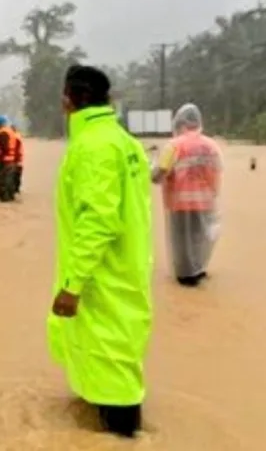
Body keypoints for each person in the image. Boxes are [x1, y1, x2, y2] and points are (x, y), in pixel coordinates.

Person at [47, 64, 153, 438]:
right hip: (126, 268)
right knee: (117, 354)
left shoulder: (93, 147)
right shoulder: (124, 142)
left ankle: (125, 434)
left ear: (68, 101)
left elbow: (99, 222)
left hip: (99, 277)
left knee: (113, 372)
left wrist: (72, 285)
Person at [152, 103, 222, 287]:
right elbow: (217, 172)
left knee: (181, 241)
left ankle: (185, 276)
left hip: (180, 203)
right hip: (206, 203)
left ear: (180, 124)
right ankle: (198, 270)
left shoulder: (174, 146)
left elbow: (160, 171)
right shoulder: (212, 146)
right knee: (200, 238)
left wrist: (150, 172)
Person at [0, 115, 18, 201]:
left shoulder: (3, 133)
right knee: (9, 184)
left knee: (3, 184)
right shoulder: (10, 132)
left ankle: (5, 199)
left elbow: (4, 148)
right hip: (11, 161)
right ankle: (10, 199)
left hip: (4, 163)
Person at [10, 123, 24, 195]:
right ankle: (16, 189)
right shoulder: (18, 136)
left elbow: (17, 149)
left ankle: (15, 189)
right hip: (19, 159)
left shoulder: (15, 137)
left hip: (16, 159)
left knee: (15, 175)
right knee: (17, 175)